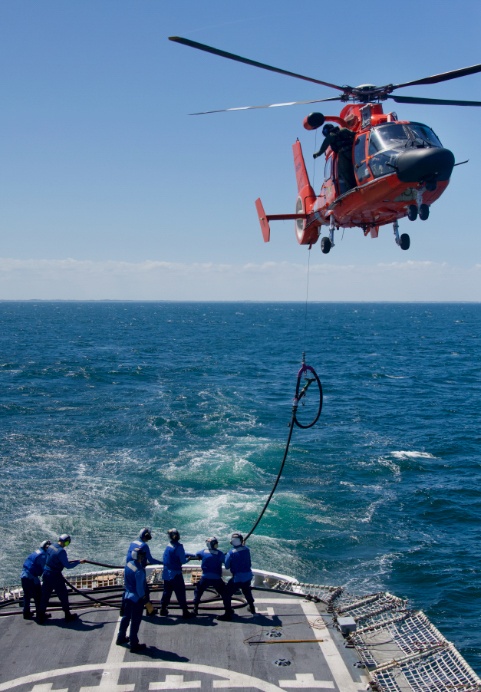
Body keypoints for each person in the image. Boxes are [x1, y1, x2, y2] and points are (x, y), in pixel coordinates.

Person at [36, 534, 86, 623]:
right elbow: (68, 566)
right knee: (63, 595)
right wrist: (79, 562)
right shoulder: (61, 551)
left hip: (46, 573)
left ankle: (40, 616)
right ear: (66, 542)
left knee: (45, 596)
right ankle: (67, 614)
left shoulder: (51, 546)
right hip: (55, 575)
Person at [117, 545, 148, 653]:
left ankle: (120, 637)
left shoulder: (128, 565)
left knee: (125, 617)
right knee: (135, 621)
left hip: (127, 595)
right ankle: (134, 644)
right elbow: (140, 587)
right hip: (136, 598)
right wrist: (144, 597)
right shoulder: (139, 570)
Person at [218, 532, 255, 621]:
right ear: (241, 541)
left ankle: (228, 613)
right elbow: (242, 550)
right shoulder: (246, 549)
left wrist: (225, 557)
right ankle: (252, 607)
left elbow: (227, 566)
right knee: (246, 591)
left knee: (226, 594)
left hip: (238, 578)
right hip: (248, 576)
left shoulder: (230, 553)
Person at [125, 527, 161, 616]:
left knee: (128, 588)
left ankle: (123, 609)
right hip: (138, 569)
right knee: (144, 590)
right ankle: (149, 610)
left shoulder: (133, 543)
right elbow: (151, 560)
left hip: (129, 568)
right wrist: (162, 563)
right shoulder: (144, 546)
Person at [160, 528, 195, 618]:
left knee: (167, 592)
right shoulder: (179, 547)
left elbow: (178, 554)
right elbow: (182, 560)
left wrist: (188, 554)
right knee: (180, 592)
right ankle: (185, 611)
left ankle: (163, 609)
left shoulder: (169, 545)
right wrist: (189, 558)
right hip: (175, 574)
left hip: (167, 573)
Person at [313, 123, 356, 192]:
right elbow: (354, 134)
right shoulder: (344, 130)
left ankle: (352, 188)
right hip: (353, 151)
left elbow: (322, 149)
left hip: (343, 154)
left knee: (344, 172)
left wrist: (316, 154)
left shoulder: (330, 136)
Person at [191, 536, 225, 616]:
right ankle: (228, 609)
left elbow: (197, 554)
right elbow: (225, 561)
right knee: (224, 593)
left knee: (198, 592)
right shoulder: (220, 553)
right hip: (217, 578)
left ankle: (195, 609)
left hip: (205, 577)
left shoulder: (203, 552)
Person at [20, 540, 51, 620]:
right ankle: (40, 614)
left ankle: (26, 613)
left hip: (24, 575)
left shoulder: (36, 552)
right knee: (38, 596)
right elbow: (43, 569)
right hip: (32, 578)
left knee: (27, 596)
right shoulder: (43, 555)